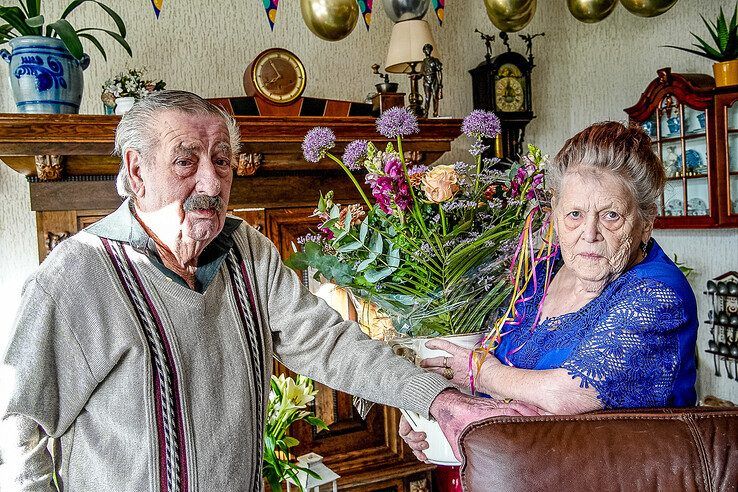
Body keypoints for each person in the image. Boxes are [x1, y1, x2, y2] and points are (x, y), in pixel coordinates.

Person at [0, 91, 537, 491]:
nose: (211, 183)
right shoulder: (78, 272)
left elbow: (329, 344)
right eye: (186, 160)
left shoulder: (247, 251)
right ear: (136, 171)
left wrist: (435, 397)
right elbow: (18, 432)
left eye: (222, 160)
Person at [401, 121, 698, 461]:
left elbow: (570, 394)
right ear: (555, 213)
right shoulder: (542, 271)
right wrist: (434, 410)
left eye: (611, 216)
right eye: (574, 214)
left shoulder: (658, 294)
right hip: (521, 471)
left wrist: (479, 373)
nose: (589, 233)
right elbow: (490, 360)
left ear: (646, 223)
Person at [421, 43, 442, 118]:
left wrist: (440, 84)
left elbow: (439, 72)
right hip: (426, 81)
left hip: (434, 81)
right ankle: (426, 114)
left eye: (429, 49)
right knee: (427, 98)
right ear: (424, 51)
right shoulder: (423, 62)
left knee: (435, 97)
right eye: (426, 49)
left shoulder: (435, 60)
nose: (428, 50)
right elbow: (421, 73)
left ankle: (435, 113)